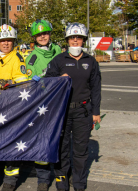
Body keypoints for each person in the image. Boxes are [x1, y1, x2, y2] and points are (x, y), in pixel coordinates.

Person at [45, 22, 101, 191]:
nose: (75, 41)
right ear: (67, 40)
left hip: (83, 111)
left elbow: (96, 87)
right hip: (62, 111)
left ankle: (78, 183)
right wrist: (58, 78)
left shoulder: (90, 61)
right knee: (61, 148)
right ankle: (62, 183)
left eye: (79, 38)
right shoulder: (58, 60)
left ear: (83, 40)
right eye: (72, 38)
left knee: (81, 150)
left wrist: (96, 112)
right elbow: (47, 82)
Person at [0, 24, 28, 191]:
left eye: (9, 40)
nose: (6, 43)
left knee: (12, 140)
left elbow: (23, 79)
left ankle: (10, 180)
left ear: (13, 41)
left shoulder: (18, 57)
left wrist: (9, 83)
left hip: (12, 104)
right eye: (2, 40)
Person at [24, 19, 61, 191]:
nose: (43, 37)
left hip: (61, 102)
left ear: (50, 34)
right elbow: (32, 85)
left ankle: (62, 175)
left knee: (62, 141)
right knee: (43, 141)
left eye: (45, 33)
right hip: (44, 104)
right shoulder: (31, 58)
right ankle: (43, 179)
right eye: (39, 35)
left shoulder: (58, 50)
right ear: (34, 38)